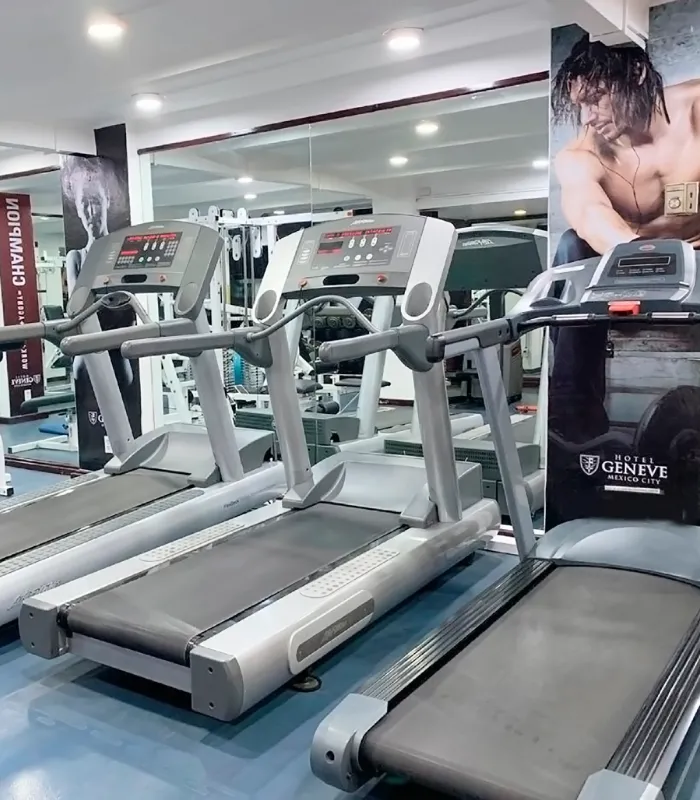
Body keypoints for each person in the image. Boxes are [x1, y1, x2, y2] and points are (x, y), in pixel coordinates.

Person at [547, 34, 700, 525]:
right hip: (626, 260)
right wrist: (636, 260)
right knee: (570, 248)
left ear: (633, 76)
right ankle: (578, 433)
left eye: (594, 99)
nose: (588, 117)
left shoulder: (696, 109)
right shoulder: (580, 154)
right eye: (579, 106)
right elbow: (589, 212)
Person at [61, 157, 133, 387]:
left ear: (107, 201)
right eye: (84, 204)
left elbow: (127, 302)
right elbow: (77, 305)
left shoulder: (121, 251)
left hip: (116, 342)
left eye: (96, 202)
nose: (91, 211)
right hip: (90, 341)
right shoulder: (76, 257)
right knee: (83, 376)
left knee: (124, 384)